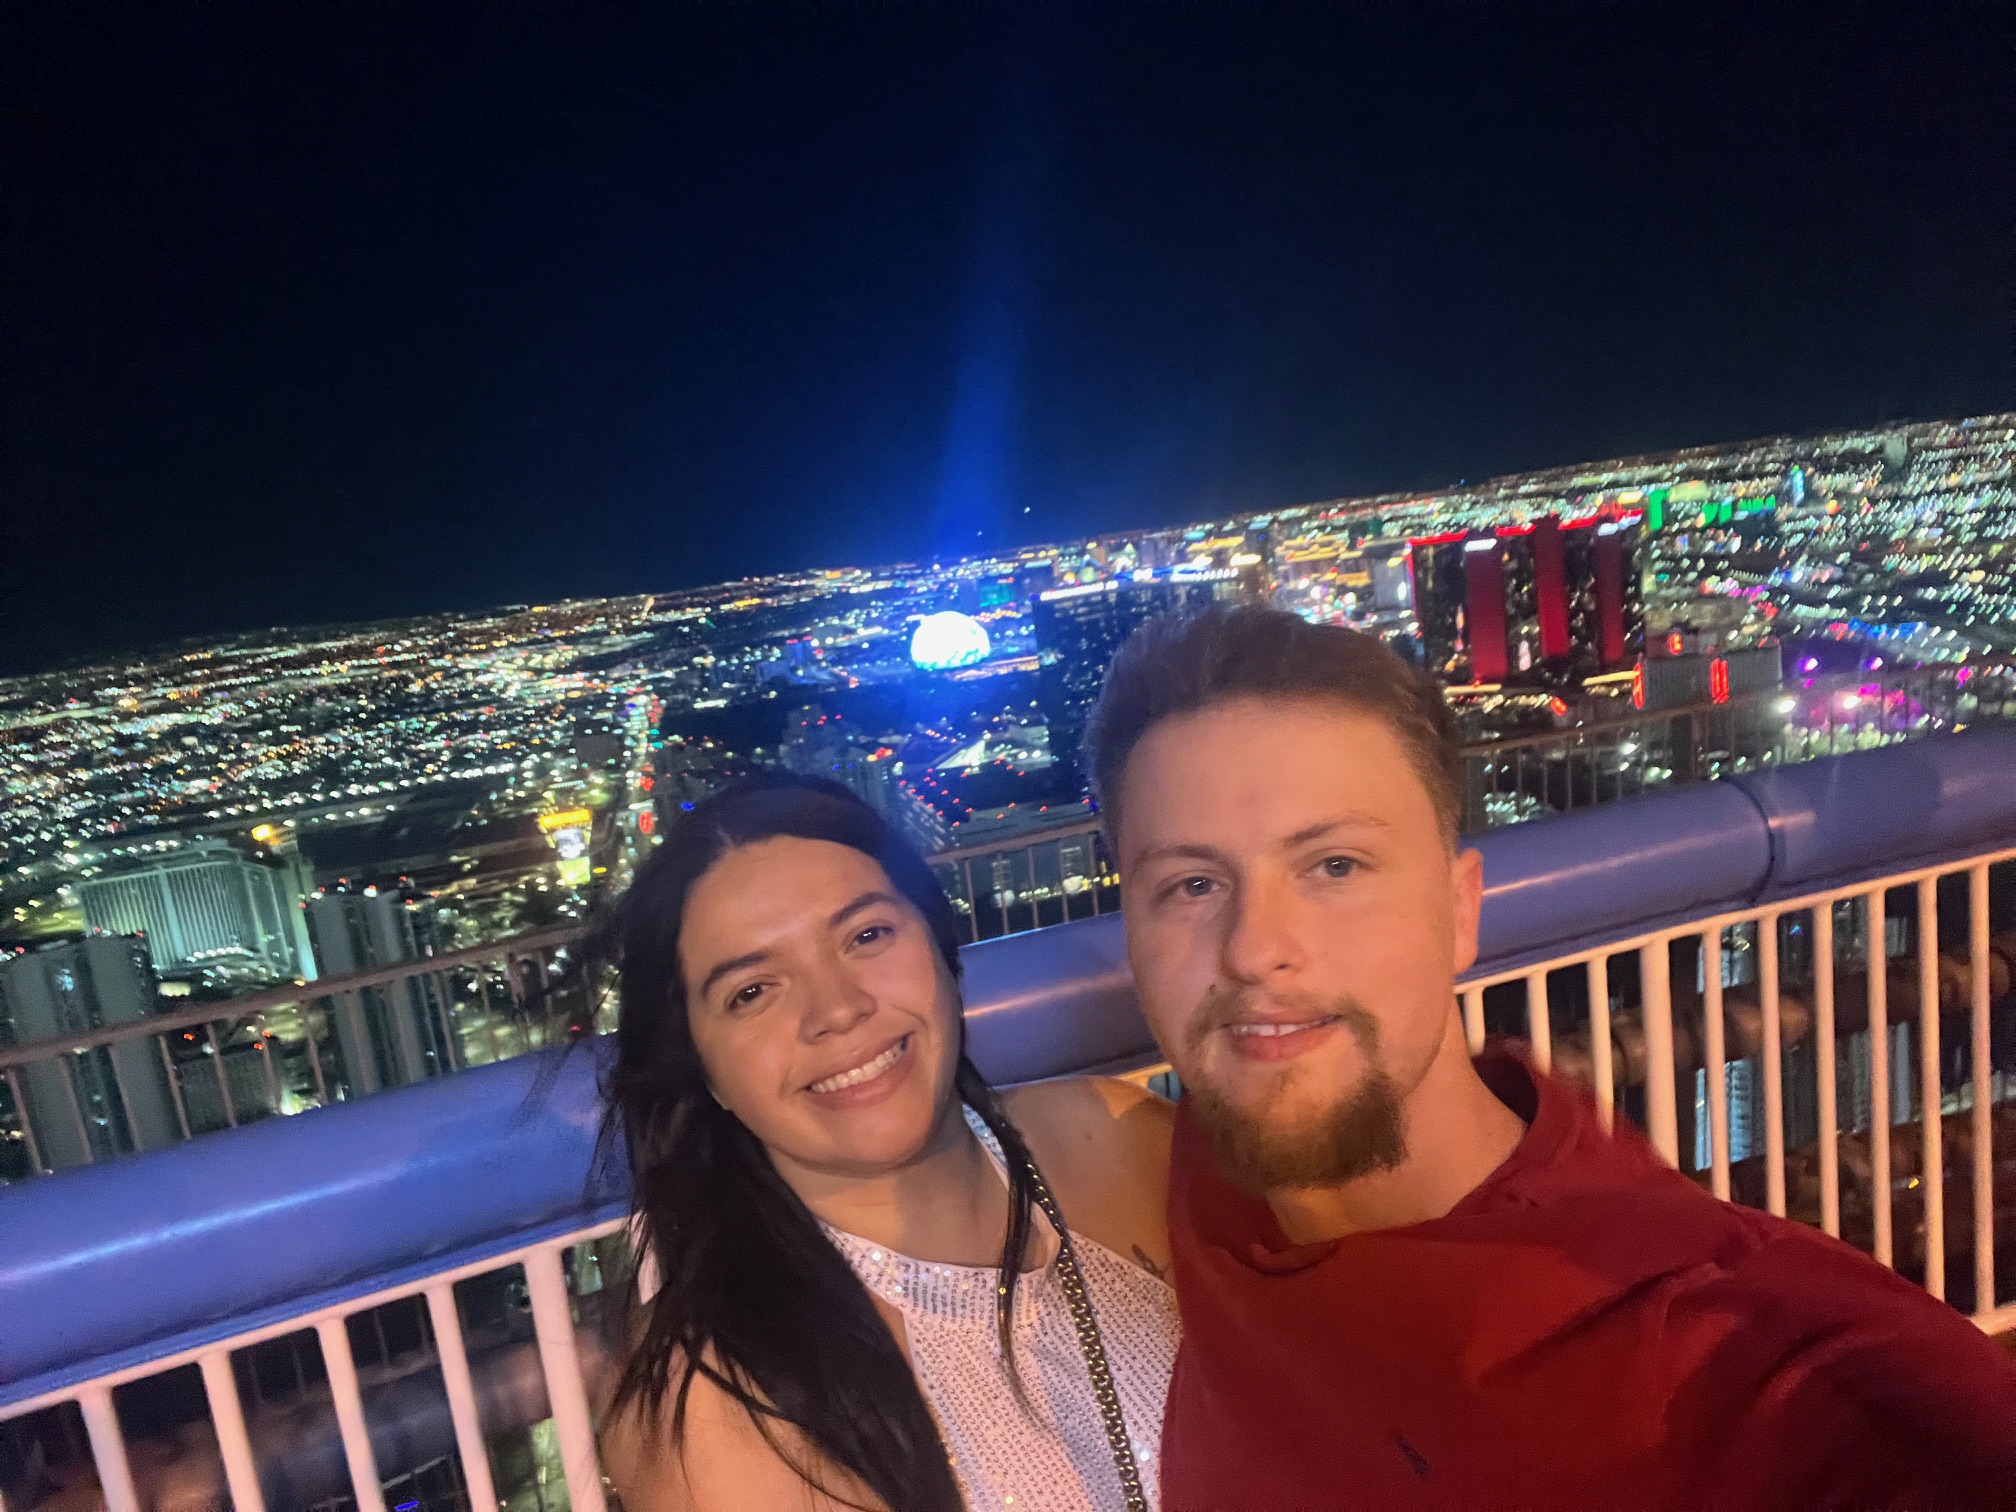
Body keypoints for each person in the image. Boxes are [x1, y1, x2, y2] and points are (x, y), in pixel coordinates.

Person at [1082, 601, 2016, 1510]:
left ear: (1460, 911)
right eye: (1192, 885)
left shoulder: (1758, 1368)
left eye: (1335, 867)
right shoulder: (1184, 1179)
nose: (1255, 949)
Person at [588, 773, 1178, 1512]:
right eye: (752, 991)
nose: (836, 1010)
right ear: (705, 1071)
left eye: (866, 936)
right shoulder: (709, 1400)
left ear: (941, 949)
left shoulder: (1114, 1140)